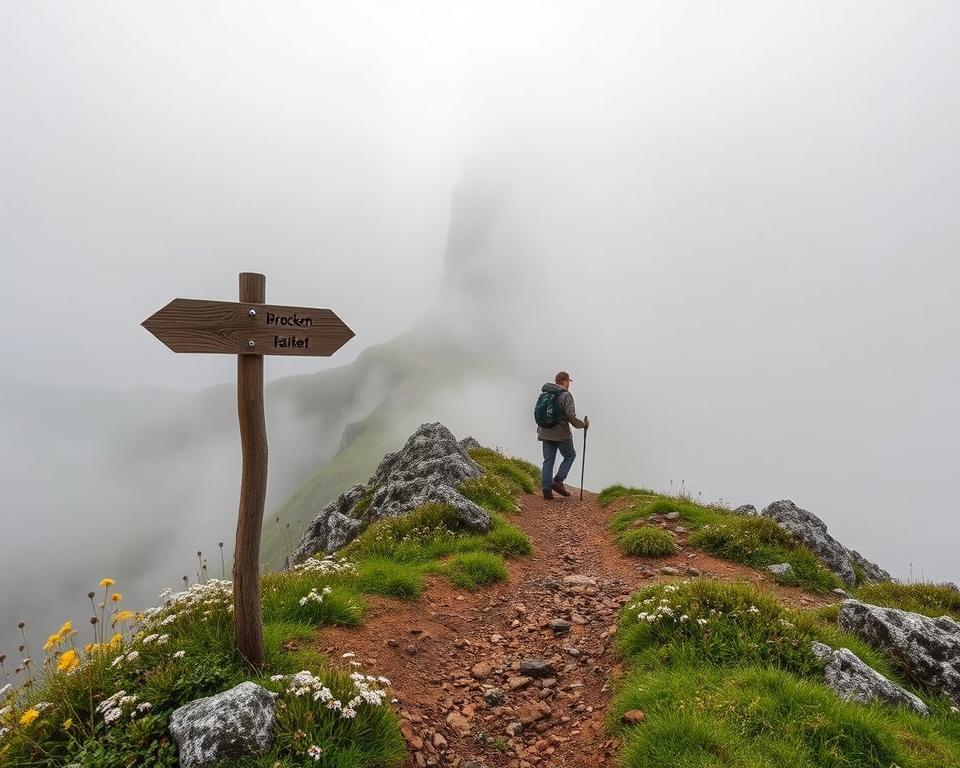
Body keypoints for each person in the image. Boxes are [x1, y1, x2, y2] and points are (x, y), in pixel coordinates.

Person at [537, 371, 589, 500]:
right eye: (568, 381)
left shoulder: (545, 394)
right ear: (563, 381)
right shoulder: (566, 395)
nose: (569, 384)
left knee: (548, 460)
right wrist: (583, 424)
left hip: (544, 431)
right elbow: (570, 416)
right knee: (570, 455)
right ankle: (558, 481)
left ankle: (546, 490)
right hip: (560, 432)